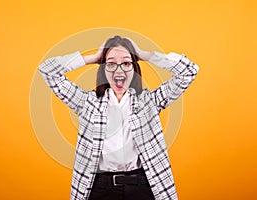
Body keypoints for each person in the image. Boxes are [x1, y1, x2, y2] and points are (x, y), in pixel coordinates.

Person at [38, 35, 199, 200]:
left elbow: (188, 71)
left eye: (126, 63)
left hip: (142, 186)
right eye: (111, 63)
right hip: (100, 187)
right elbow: (47, 70)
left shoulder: (149, 101)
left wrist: (144, 54)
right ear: (103, 68)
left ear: (134, 68)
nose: (119, 69)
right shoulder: (87, 103)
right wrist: (92, 58)